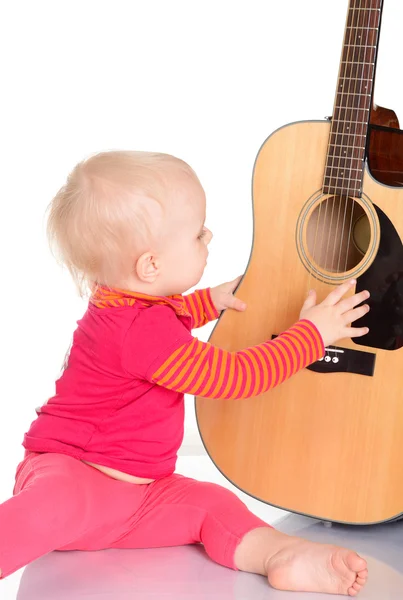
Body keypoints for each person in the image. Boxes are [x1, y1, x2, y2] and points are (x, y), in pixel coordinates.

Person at [0, 150, 370, 596]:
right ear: (151, 266)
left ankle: (279, 554)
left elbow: (161, 323)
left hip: (140, 499)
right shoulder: (140, 332)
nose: (208, 235)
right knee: (52, 507)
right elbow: (237, 377)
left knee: (212, 505)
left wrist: (207, 301)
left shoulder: (128, 302)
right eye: (198, 234)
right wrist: (312, 335)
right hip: (74, 473)